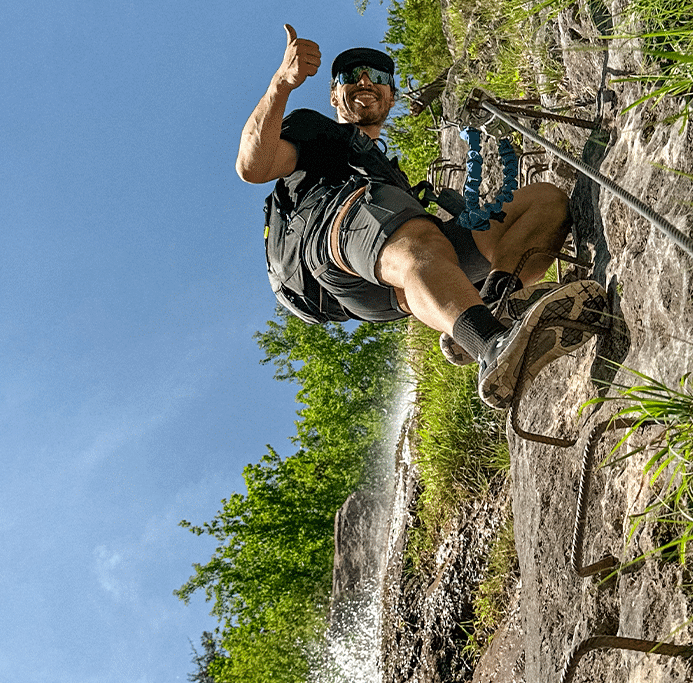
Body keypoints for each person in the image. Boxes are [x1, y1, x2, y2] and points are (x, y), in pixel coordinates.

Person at [236, 25, 610, 409]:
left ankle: (493, 305)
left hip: (393, 279)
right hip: (335, 241)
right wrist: (281, 83)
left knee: (545, 203)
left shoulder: (387, 172)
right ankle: (492, 347)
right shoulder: (314, 132)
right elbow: (253, 166)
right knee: (415, 238)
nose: (365, 81)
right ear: (334, 93)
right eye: (351, 76)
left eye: (378, 77)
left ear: (391, 97)